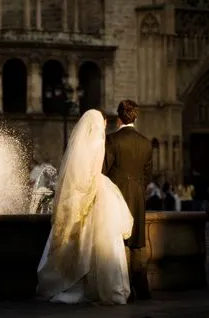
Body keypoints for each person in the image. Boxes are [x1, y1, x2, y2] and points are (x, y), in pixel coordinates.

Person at [37, 109, 133, 305]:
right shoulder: (98, 141)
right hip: (95, 191)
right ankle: (101, 287)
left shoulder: (78, 146)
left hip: (76, 193)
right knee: (102, 242)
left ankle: (72, 282)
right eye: (104, 122)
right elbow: (95, 170)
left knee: (77, 242)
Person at [102, 99, 152, 301]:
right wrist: (138, 188)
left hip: (117, 195)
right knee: (138, 242)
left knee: (120, 241)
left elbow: (103, 170)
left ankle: (126, 288)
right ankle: (143, 288)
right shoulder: (145, 142)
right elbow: (148, 173)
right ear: (135, 117)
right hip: (138, 196)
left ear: (118, 117)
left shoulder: (112, 140)